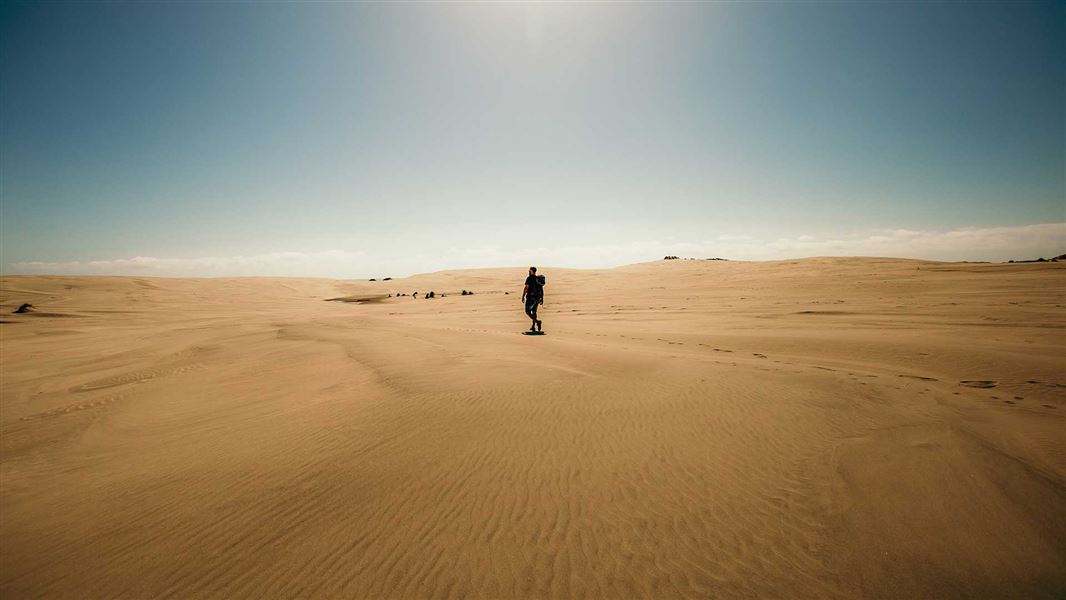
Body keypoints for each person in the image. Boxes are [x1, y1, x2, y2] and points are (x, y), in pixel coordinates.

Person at [521, 266, 543, 332]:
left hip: (531, 297)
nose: (529, 272)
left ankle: (537, 322)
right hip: (537, 298)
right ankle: (533, 326)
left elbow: (526, 288)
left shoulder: (529, 278)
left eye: (530, 271)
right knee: (534, 312)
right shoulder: (537, 279)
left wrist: (523, 296)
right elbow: (541, 289)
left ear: (532, 271)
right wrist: (542, 298)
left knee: (527, 311)